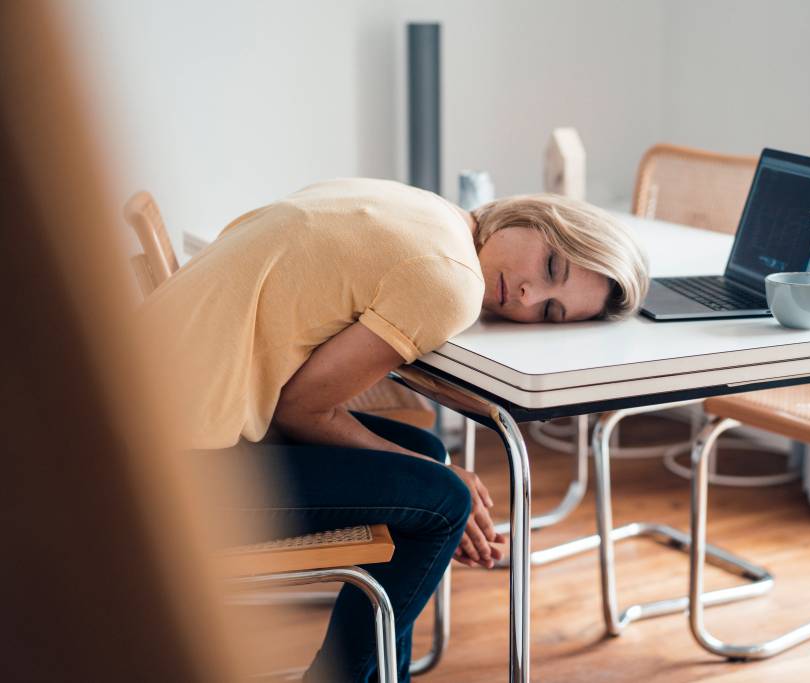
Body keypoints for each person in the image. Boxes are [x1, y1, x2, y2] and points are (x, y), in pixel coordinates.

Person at [141, 178, 648, 682]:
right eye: (551, 266)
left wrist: (430, 466)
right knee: (444, 501)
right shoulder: (451, 281)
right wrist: (440, 480)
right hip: (162, 472)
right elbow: (301, 411)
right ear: (536, 220)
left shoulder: (425, 210)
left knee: (428, 455)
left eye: (549, 311)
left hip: (138, 416)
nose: (526, 295)